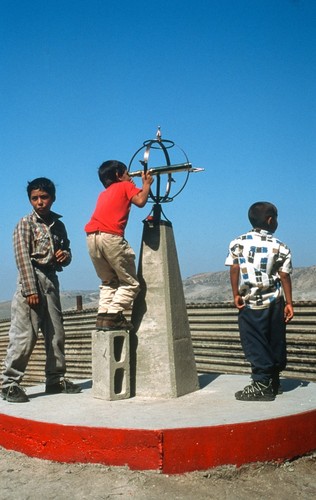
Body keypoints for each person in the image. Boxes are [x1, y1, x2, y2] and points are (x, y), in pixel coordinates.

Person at [2, 177, 82, 403]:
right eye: (35, 198)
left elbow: (67, 253)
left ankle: (55, 379)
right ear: (30, 200)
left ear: (52, 198)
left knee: (56, 333)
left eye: (44, 197)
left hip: (51, 280)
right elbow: (22, 258)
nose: (39, 202)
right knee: (25, 335)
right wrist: (30, 289)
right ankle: (9, 383)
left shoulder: (59, 225)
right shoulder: (25, 223)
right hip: (31, 279)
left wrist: (64, 256)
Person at [225, 201, 294, 401]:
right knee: (275, 339)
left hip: (250, 302)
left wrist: (235, 294)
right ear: (271, 220)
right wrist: (289, 303)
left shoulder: (237, 243)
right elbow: (285, 276)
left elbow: (234, 269)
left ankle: (261, 384)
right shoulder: (281, 246)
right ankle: (273, 381)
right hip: (275, 302)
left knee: (254, 341)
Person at [85, 160, 153, 330]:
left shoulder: (103, 193)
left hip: (92, 237)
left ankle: (103, 316)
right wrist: (146, 184)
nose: (130, 176)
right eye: (127, 173)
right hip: (111, 237)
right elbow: (140, 201)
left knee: (108, 281)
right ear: (118, 175)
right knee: (130, 283)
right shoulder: (124, 186)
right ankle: (114, 315)